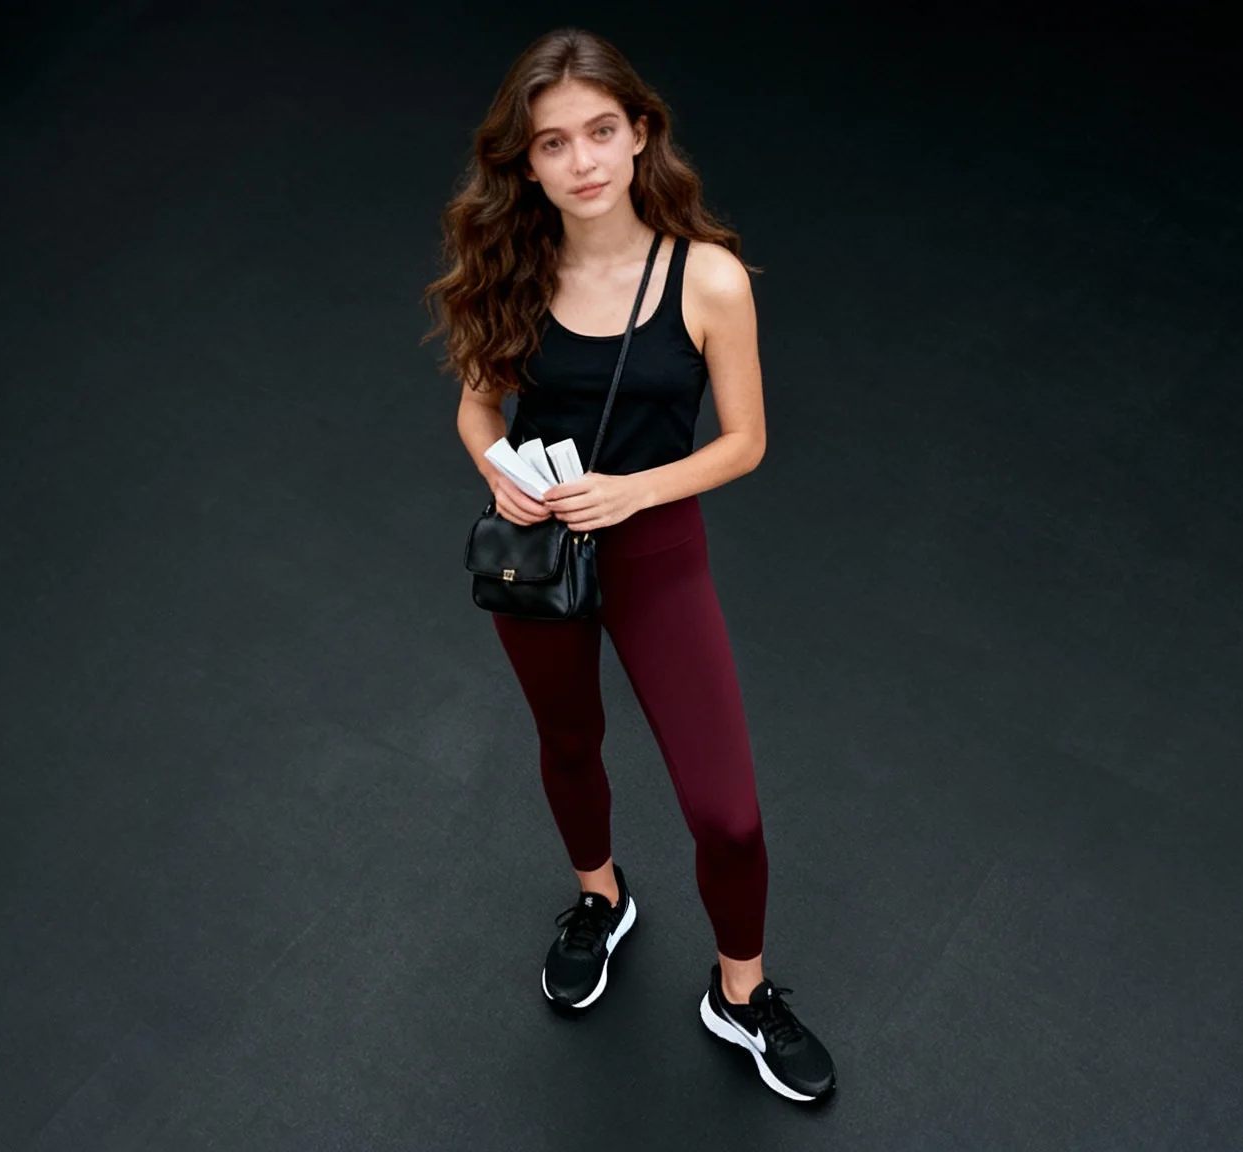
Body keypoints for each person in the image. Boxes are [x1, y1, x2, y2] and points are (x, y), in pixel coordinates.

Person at [421, 27, 837, 1103]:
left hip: (654, 549)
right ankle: (599, 900)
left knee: (728, 815)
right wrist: (498, 472)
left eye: (600, 132)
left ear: (640, 133)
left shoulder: (708, 279)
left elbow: (744, 440)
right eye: (552, 144)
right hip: (538, 553)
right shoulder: (507, 265)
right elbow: (476, 407)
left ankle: (737, 995)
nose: (582, 162)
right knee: (568, 741)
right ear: (524, 162)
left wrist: (633, 493)